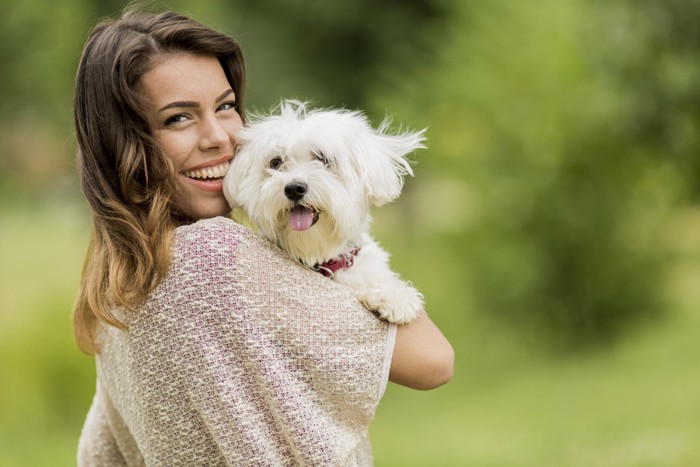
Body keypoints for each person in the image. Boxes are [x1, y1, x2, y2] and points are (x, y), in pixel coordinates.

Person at [73, 8, 453, 466]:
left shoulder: (116, 287)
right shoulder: (215, 256)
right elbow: (433, 361)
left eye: (226, 106)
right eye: (178, 119)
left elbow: (101, 455)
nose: (220, 138)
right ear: (124, 144)